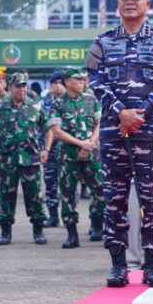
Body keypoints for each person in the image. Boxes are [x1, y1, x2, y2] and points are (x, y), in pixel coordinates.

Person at [85, 0, 153, 288]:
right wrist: (120, 113)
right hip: (115, 132)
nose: (130, 2)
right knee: (114, 198)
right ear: (117, 6)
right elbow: (96, 82)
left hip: (149, 131)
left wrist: (141, 114)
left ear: (147, 5)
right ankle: (118, 264)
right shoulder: (102, 42)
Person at [0, 72, 49, 245]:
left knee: (35, 197)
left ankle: (38, 231)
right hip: (7, 162)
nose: (21, 89)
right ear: (10, 88)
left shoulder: (35, 106)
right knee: (6, 197)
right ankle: (5, 232)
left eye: (24, 86)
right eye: (18, 86)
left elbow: (49, 128)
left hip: (31, 161)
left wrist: (46, 149)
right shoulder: (0, 108)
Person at [47, 67, 105, 249]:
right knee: (68, 195)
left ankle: (97, 224)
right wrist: (81, 144)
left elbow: (98, 124)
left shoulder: (92, 99)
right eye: (77, 79)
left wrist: (90, 143)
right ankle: (72, 234)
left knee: (101, 191)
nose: (81, 82)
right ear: (67, 82)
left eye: (83, 79)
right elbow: (57, 132)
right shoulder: (58, 104)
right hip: (68, 157)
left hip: (91, 154)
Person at [39, 70, 65, 227]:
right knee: (50, 183)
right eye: (55, 83)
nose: (57, 86)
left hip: (67, 149)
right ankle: (53, 216)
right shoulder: (44, 103)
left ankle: (70, 218)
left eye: (60, 83)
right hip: (50, 149)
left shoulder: (71, 102)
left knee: (69, 185)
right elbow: (39, 126)